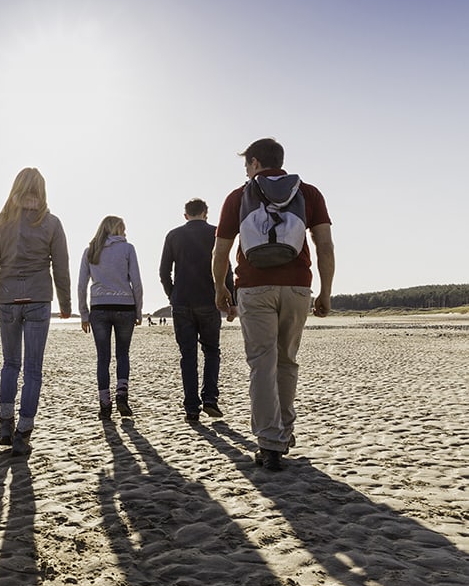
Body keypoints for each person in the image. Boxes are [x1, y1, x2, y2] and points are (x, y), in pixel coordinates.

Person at [212, 138, 335, 472]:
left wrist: (220, 289)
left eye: (246, 165)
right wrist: (325, 291)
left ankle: (269, 443)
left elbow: (221, 250)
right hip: (297, 287)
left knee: (261, 364)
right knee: (286, 360)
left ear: (254, 163)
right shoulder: (308, 193)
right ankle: (283, 433)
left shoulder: (239, 196)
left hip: (253, 287)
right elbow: (324, 245)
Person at [0, 167, 72, 455]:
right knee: (33, 369)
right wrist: (66, 304)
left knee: (10, 364)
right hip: (38, 299)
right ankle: (23, 432)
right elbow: (61, 267)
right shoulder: (52, 223)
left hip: (7, 299)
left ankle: (5, 423)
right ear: (42, 190)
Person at [160, 198, 236, 422]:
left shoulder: (173, 235)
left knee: (188, 356)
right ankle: (210, 399)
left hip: (182, 301)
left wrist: (172, 295)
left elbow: (164, 272)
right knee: (212, 351)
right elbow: (226, 268)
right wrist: (231, 300)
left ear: (185, 215)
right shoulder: (215, 233)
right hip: (209, 300)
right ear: (206, 213)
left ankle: (192, 408)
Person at [78, 215, 143, 420]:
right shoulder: (128, 249)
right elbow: (137, 283)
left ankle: (105, 404)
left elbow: (81, 286)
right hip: (125, 307)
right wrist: (138, 311)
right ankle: (122, 396)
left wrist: (83, 314)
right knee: (122, 354)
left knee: (103, 358)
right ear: (118, 229)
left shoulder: (90, 251)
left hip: (99, 308)